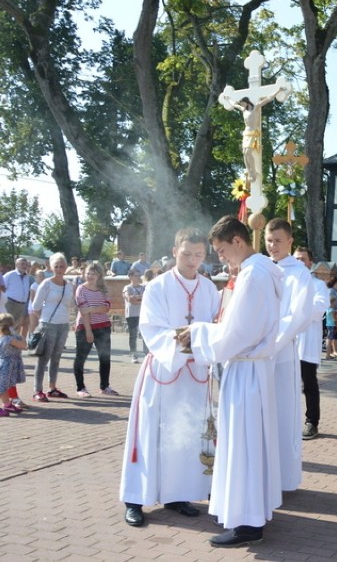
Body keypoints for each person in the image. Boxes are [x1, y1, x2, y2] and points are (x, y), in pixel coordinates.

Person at [177, 215, 285, 548]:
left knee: (244, 446)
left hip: (246, 369)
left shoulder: (254, 275)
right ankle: (251, 513)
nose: (221, 258)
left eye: (223, 250)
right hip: (254, 368)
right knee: (249, 443)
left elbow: (238, 333)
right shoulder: (264, 270)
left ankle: (248, 524)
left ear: (238, 241)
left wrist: (197, 333)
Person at [119, 228, 220, 528]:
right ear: (175, 251)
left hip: (194, 375)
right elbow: (151, 328)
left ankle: (177, 495)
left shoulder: (209, 289)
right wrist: (187, 342)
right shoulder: (158, 286)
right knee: (149, 434)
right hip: (163, 371)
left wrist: (204, 344)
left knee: (186, 435)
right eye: (187, 254)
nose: (192, 260)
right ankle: (135, 499)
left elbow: (215, 327)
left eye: (199, 255)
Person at [264, 219, 314, 491]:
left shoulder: (300, 274)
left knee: (283, 412)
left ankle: (284, 477)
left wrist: (271, 341)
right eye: (269, 241)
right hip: (257, 353)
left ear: (290, 241)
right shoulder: (260, 267)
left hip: (281, 351)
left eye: (278, 241)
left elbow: (299, 315)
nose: (273, 246)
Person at [293, 246, 329, 441]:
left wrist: (297, 308)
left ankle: (312, 421)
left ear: (310, 263)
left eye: (302, 259)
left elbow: (319, 309)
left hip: (306, 344)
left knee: (309, 384)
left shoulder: (317, 285)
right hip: (286, 344)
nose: (299, 262)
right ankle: (288, 421)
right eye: (296, 258)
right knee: (285, 384)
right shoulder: (286, 282)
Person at [30, 253, 75, 403]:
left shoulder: (69, 285)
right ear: (51, 267)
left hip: (63, 324)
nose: (59, 269)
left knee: (56, 358)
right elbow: (36, 306)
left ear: (66, 267)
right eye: (56, 266)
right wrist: (44, 321)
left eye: (62, 266)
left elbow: (70, 305)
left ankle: (52, 387)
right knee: (43, 358)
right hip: (48, 324)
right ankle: (37, 390)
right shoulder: (46, 284)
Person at [73, 262, 117, 397]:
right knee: (81, 357)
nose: (90, 276)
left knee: (105, 358)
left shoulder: (104, 290)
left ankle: (105, 386)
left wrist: (91, 308)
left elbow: (106, 308)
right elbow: (83, 312)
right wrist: (88, 331)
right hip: (85, 327)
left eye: (93, 273)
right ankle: (80, 388)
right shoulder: (81, 289)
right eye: (88, 273)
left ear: (99, 275)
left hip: (103, 327)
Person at [0, 313, 27, 416]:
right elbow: (24, 345)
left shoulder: (3, 337)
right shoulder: (10, 339)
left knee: (5, 386)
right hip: (6, 365)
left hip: (6, 364)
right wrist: (21, 336)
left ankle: (7, 404)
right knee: (2, 387)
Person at [4, 258, 35, 339]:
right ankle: (3, 343)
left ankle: (12, 345)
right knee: (6, 324)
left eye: (26, 264)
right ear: (16, 265)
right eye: (22, 264)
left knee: (16, 326)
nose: (24, 266)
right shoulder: (10, 275)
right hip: (10, 303)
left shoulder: (27, 277)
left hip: (21, 305)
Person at [123, 269, 147, 364]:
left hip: (143, 314)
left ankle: (147, 354)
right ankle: (134, 354)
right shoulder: (127, 288)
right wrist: (140, 298)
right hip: (132, 314)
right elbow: (130, 299)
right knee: (133, 335)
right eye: (136, 275)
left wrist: (137, 297)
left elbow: (146, 298)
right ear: (130, 277)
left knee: (145, 335)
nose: (138, 277)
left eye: (139, 275)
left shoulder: (143, 287)